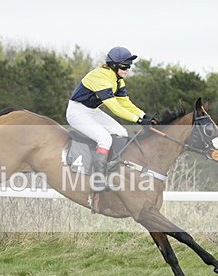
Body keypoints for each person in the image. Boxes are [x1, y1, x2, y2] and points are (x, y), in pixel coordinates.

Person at [66, 46, 156, 192]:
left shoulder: (118, 80)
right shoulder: (100, 77)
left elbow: (125, 103)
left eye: (129, 66)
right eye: (124, 66)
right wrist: (138, 120)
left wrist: (143, 115)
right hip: (77, 112)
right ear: (114, 65)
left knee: (121, 132)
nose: (127, 69)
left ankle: (112, 169)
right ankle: (98, 180)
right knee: (105, 139)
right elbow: (114, 107)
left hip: (92, 111)